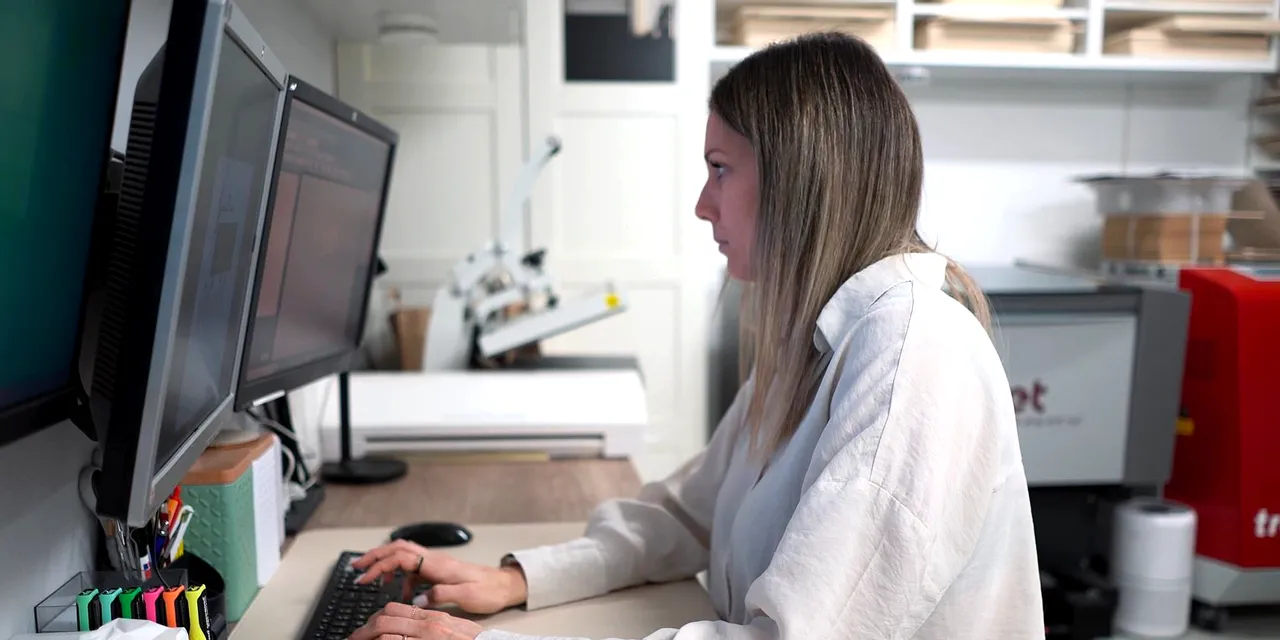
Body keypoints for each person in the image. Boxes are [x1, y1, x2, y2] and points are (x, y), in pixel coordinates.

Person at [347, 31, 1044, 640]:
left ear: (801, 180)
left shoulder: (911, 361)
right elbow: (686, 517)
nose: (702, 204)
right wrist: (514, 579)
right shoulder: (814, 341)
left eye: (720, 169)